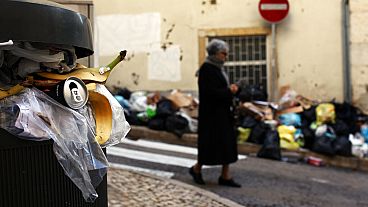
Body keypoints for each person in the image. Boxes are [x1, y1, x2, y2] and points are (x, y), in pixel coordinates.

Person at [189, 39, 241, 188]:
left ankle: (225, 175)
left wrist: (233, 91)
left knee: (227, 144)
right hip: (211, 115)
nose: (226, 56)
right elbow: (209, 93)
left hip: (223, 113)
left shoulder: (219, 69)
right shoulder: (206, 69)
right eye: (223, 53)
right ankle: (196, 169)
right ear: (214, 54)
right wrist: (228, 91)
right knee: (209, 145)